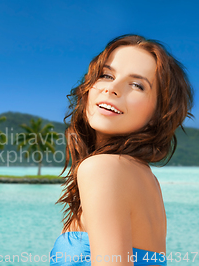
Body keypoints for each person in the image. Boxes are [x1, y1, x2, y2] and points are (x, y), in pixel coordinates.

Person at [49, 34, 194, 265]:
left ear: (158, 113)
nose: (112, 89)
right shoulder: (146, 179)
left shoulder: (102, 168)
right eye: (106, 75)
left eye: (137, 85)